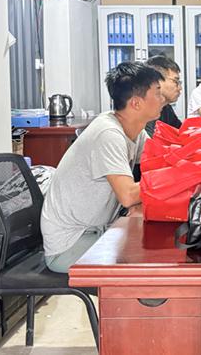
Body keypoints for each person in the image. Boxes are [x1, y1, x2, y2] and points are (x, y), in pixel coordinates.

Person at [40, 61, 164, 273]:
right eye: (158, 93)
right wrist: (176, 177)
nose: (163, 99)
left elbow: (161, 162)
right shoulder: (108, 134)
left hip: (100, 230)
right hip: (71, 244)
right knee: (154, 257)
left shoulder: (133, 130)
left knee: (157, 234)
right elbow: (128, 196)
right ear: (136, 103)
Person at [145, 56, 182, 136]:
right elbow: (149, 142)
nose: (180, 88)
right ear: (157, 81)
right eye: (175, 81)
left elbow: (180, 132)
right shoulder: (144, 111)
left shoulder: (165, 107)